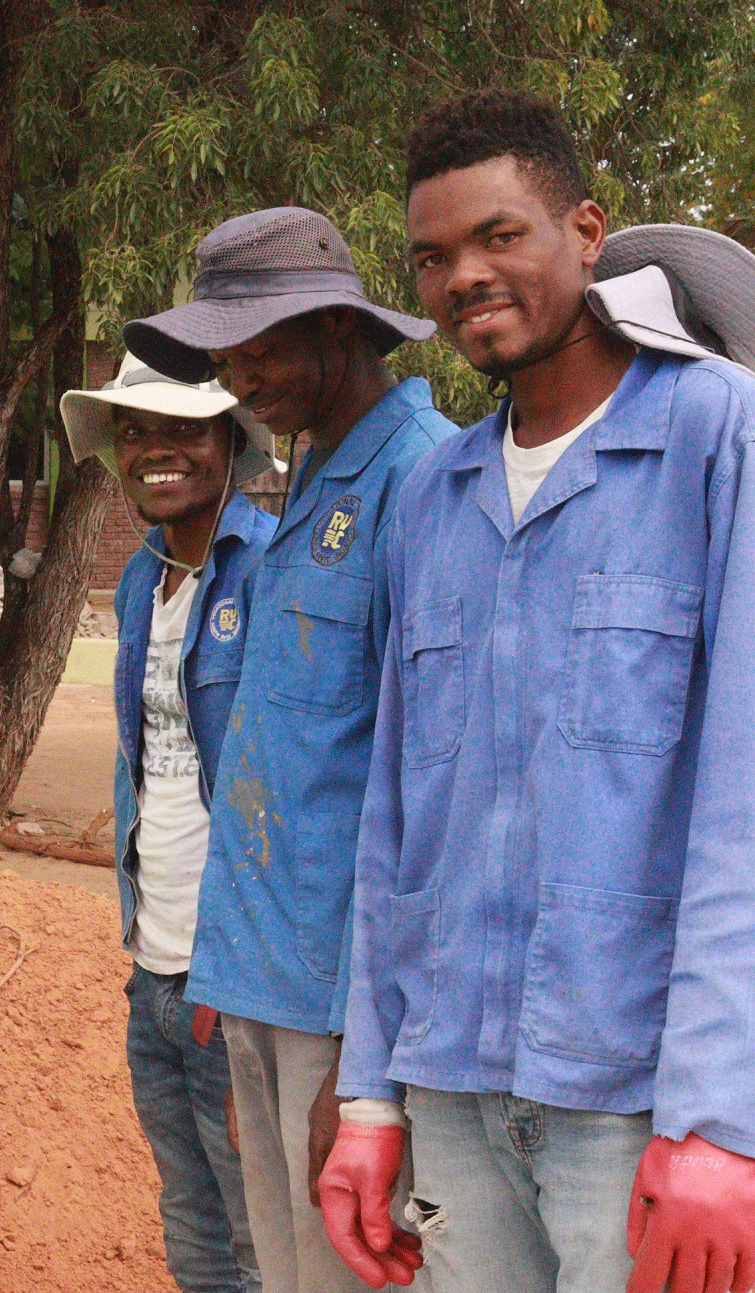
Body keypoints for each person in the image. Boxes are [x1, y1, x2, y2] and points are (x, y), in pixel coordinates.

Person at [322, 90, 755, 1293]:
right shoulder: (433, 499)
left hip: (640, 1107)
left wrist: (720, 1120)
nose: (463, 274)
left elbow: (742, 805)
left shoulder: (717, 442)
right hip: (452, 1086)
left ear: (584, 231)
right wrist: (369, 1093)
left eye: (497, 235)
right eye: (431, 256)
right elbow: (394, 823)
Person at [125, 207, 456, 1293]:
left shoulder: (422, 481)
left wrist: (366, 1073)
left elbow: (421, 796)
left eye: (256, 343)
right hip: (263, 991)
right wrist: (223, 986)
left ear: (338, 327)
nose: (235, 373)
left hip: (341, 1012)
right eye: (222, 351)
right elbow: (277, 761)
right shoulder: (310, 480)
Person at [61, 355, 281, 1292]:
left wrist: (235, 972)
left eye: (185, 429)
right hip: (152, 966)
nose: (156, 449)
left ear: (232, 441)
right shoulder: (142, 583)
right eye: (136, 430)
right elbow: (147, 771)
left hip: (229, 978)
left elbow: (282, 791)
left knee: (260, 1231)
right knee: (189, 1216)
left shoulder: (271, 572)